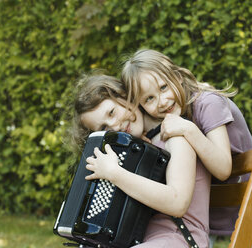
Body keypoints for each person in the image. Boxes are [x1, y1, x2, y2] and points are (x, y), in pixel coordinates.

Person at [120, 48, 252, 248]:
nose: (162, 102)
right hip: (204, 214)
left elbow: (223, 168)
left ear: (175, 74)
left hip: (244, 206)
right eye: (149, 99)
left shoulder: (208, 103)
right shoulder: (165, 116)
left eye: (164, 87)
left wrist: (189, 130)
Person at [73, 73, 211, 247]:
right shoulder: (133, 151)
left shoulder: (174, 134)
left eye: (112, 112)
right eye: (104, 127)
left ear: (126, 96)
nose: (115, 126)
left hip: (181, 238)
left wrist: (115, 174)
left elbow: (178, 203)